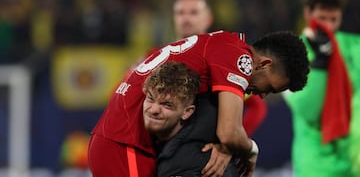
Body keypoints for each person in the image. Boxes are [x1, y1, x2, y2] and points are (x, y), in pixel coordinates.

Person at [88, 29, 309, 177]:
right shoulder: (238, 58)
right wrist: (251, 150)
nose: (262, 95)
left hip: (125, 141)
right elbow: (230, 132)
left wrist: (226, 145)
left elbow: (220, 128)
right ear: (264, 64)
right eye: (269, 88)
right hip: (125, 145)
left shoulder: (224, 44)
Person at [282, 0, 360, 177]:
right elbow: (307, 109)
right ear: (308, 14)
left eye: (334, 19)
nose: (328, 26)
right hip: (315, 165)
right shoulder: (291, 53)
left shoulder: (353, 46)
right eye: (322, 18)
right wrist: (320, 64)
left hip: (354, 160)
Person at [173, 0, 267, 136]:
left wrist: (232, 145)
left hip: (202, 149)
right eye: (180, 13)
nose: (186, 18)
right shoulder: (154, 57)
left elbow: (256, 107)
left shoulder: (223, 58)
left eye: (193, 13)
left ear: (208, 19)